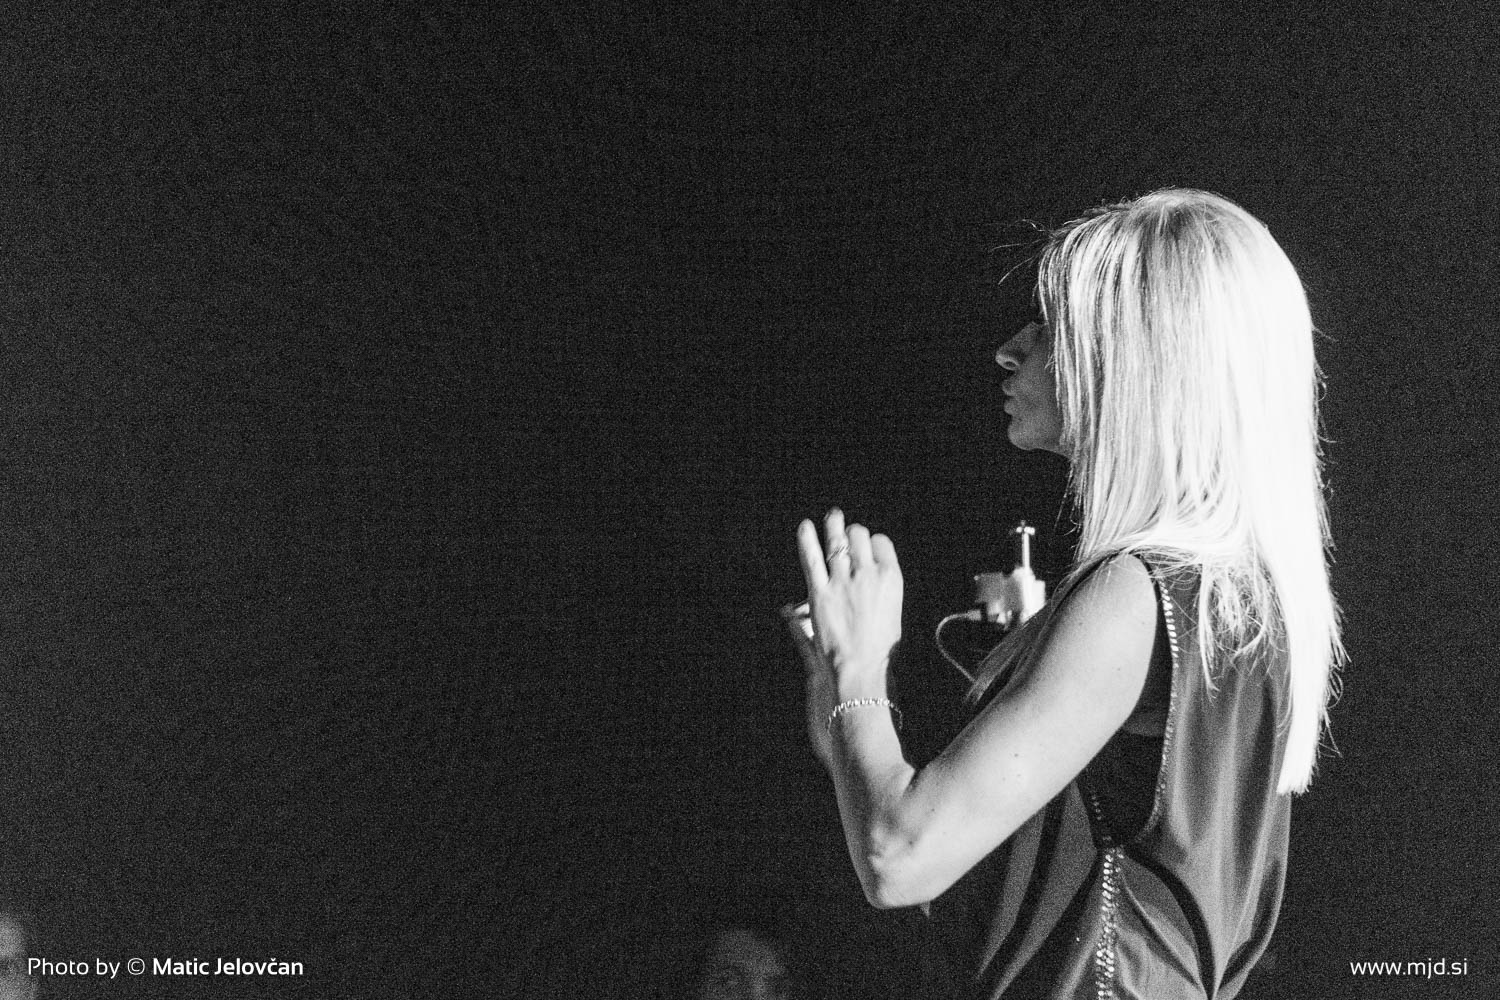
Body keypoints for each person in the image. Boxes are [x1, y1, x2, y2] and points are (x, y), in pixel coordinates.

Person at [786, 189, 1343, 998]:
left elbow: (899, 856)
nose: (1008, 351)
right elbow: (984, 877)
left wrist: (861, 666)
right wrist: (840, 701)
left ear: (1144, 355)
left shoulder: (1134, 596)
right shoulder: (1231, 600)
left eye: (1051, 324)